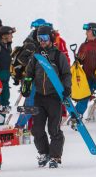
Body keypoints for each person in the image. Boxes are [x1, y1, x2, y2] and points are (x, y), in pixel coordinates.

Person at [23, 25, 71, 168]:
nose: (42, 41)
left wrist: (67, 88)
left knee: (54, 129)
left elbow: (66, 74)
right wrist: (26, 85)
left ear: (50, 38)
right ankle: (44, 153)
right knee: (36, 129)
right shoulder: (36, 56)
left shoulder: (58, 55)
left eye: (44, 38)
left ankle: (55, 157)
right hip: (39, 96)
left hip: (54, 97)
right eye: (39, 38)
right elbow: (29, 73)